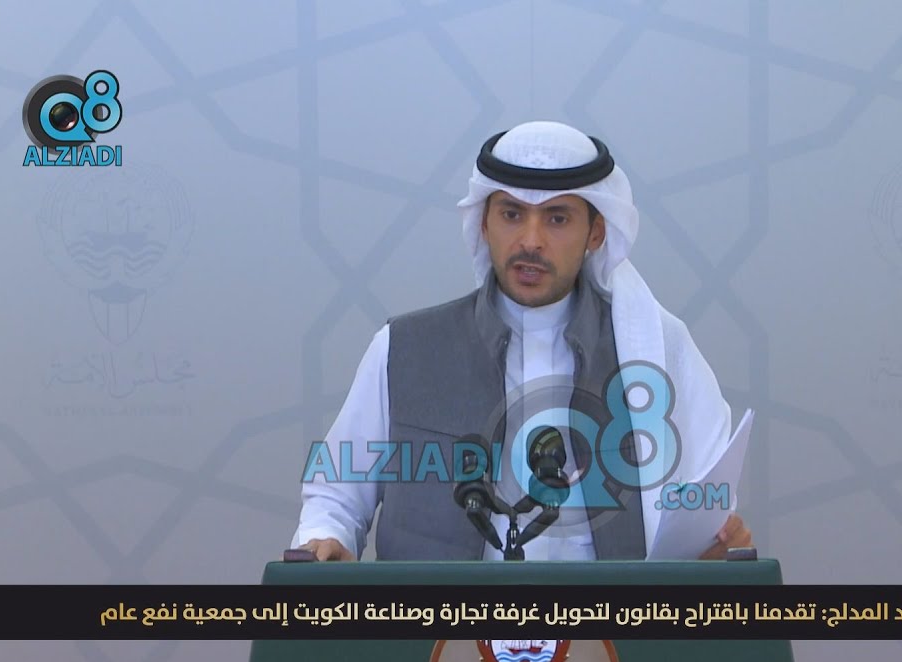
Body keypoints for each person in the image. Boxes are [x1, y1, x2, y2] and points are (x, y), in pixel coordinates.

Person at [292, 121, 751, 561]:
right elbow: (336, 494)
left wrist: (712, 544)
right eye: (512, 215)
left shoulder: (657, 349)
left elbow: (703, 502)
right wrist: (326, 538)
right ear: (484, 223)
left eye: (557, 218)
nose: (531, 241)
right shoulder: (404, 349)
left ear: (595, 232)